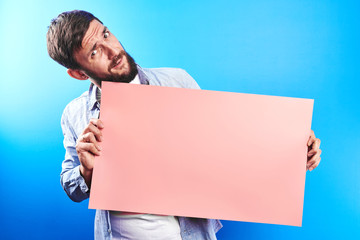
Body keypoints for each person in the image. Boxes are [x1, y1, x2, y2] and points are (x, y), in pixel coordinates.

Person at [47, 10, 322, 240]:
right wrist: (86, 171)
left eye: (106, 34)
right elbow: (71, 186)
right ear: (77, 73)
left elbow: (224, 147)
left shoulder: (177, 81)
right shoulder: (74, 114)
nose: (113, 50)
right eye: (95, 51)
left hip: (190, 231)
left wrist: (289, 144)